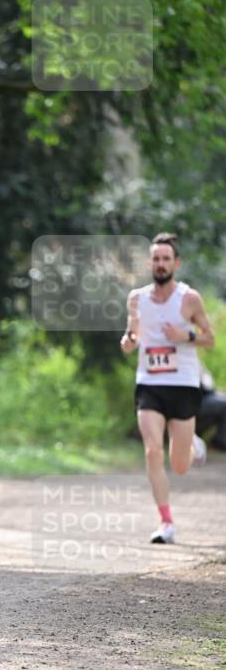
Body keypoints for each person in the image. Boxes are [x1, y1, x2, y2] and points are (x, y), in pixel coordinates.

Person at [120, 232, 215, 544]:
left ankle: (191, 446)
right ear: (150, 263)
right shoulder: (136, 299)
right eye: (156, 259)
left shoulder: (189, 299)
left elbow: (209, 338)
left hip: (183, 384)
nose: (160, 264)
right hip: (150, 383)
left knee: (180, 466)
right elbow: (131, 338)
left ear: (176, 263)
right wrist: (129, 342)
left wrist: (184, 336)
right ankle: (166, 522)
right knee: (152, 451)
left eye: (166, 259)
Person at [197, 363, 226, 451]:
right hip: (196, 400)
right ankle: (220, 442)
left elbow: (208, 386)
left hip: (205, 395)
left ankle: (219, 441)